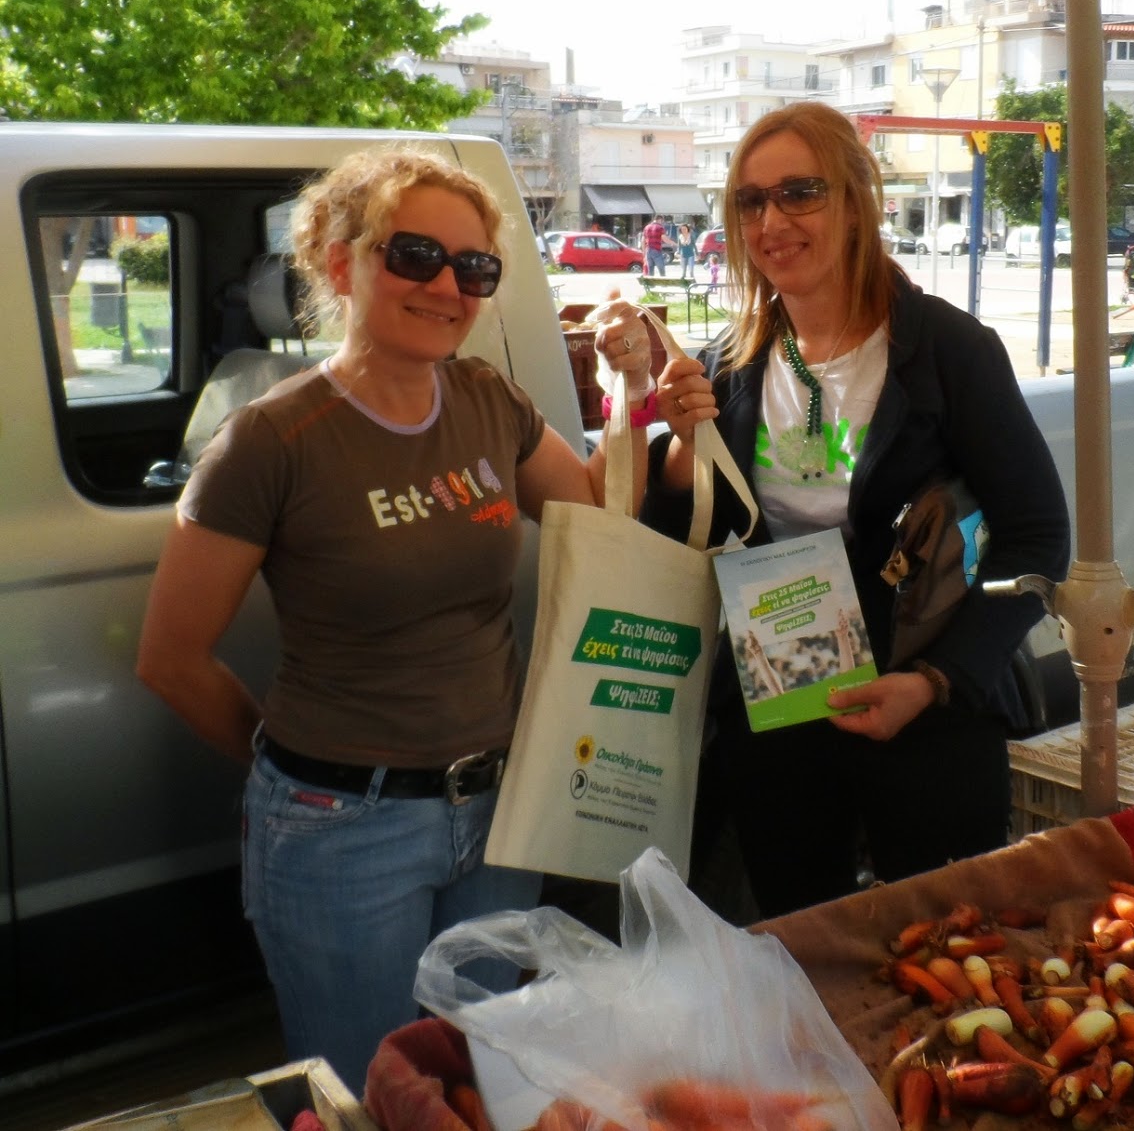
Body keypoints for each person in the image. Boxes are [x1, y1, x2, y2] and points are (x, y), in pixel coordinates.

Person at [134, 147, 715, 1090]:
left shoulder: (488, 400)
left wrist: (632, 398)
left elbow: (597, 521)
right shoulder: (269, 441)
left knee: (483, 1079)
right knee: (370, 1093)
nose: (447, 284)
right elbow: (170, 658)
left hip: (497, 814)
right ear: (339, 263)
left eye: (473, 267)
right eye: (415, 255)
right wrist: (297, 781)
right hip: (341, 832)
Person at [642, 101, 1069, 920]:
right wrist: (676, 448)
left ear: (853, 202)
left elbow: (1039, 536)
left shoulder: (948, 351)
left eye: (800, 192)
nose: (773, 220)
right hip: (780, 717)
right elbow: (689, 532)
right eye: (751, 200)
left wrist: (935, 681)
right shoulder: (728, 367)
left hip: (925, 714)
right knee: (801, 954)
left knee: (949, 962)